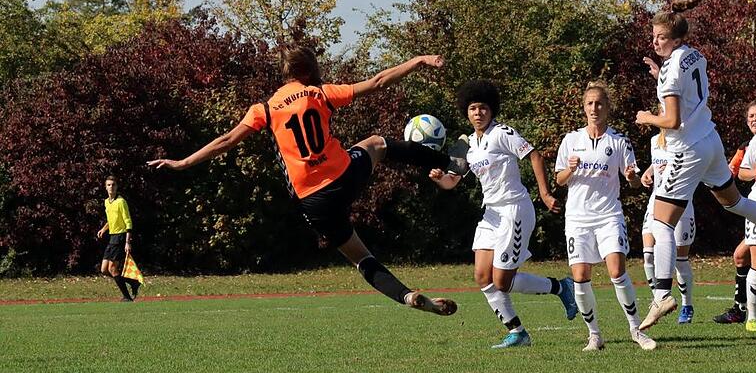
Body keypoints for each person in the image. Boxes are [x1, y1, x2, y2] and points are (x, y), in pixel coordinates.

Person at [148, 46, 468, 315]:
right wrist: (418, 61)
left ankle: (407, 296)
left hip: (312, 202)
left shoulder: (266, 109)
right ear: (309, 70)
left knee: (362, 258)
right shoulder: (319, 94)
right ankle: (449, 160)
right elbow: (378, 81)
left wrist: (183, 162)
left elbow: (226, 140)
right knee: (376, 144)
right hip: (342, 176)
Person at [636, 0, 756, 329]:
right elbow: (685, 92)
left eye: (661, 37)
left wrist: (648, 116)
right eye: (654, 36)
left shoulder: (671, 70)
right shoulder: (694, 56)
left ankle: (661, 295)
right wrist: (660, 74)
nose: (655, 41)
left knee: (661, 224)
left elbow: (673, 120)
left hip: (687, 148)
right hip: (710, 141)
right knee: (734, 202)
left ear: (674, 36)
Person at [428, 79, 577, 348]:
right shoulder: (467, 144)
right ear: (467, 112)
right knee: (482, 277)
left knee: (502, 281)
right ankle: (518, 332)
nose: (478, 113)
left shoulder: (502, 133)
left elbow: (534, 156)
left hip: (514, 210)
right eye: (473, 108)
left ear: (491, 109)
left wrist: (544, 194)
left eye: (483, 107)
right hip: (491, 215)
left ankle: (561, 287)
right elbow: (452, 181)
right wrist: (439, 178)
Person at [555, 82, 656, 351]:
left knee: (616, 270)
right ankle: (594, 335)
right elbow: (560, 180)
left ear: (607, 107)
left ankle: (637, 330)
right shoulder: (571, 140)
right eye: (590, 103)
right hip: (577, 218)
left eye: (599, 103)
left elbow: (633, 181)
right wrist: (570, 169)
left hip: (609, 215)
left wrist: (634, 177)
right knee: (580, 275)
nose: (594, 108)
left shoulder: (619, 141)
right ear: (584, 107)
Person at [714, 99, 756, 325]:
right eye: (751, 116)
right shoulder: (754, 142)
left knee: (741, 255)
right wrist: (755, 171)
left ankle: (741, 309)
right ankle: (749, 316)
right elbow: (741, 172)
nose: (755, 119)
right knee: (753, 257)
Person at [639, 128, 697, 324]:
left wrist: (673, 168)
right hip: (656, 202)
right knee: (648, 254)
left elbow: (695, 167)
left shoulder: (687, 139)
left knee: (680, 260)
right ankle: (659, 298)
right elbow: (656, 165)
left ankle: (687, 305)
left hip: (680, 203)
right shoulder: (655, 140)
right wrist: (647, 173)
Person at [97, 175, 140, 302]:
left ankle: (126, 297)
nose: (111, 187)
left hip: (120, 237)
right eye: (109, 185)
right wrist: (103, 229)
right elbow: (111, 221)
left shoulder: (121, 202)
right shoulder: (106, 202)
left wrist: (127, 242)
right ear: (105, 187)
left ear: (117, 187)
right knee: (104, 269)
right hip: (112, 237)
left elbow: (128, 222)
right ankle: (133, 282)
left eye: (113, 185)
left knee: (112, 268)